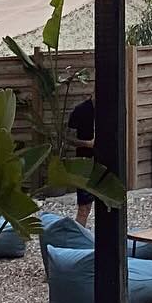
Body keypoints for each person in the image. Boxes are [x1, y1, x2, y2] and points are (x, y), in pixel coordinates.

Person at [67, 97, 95, 227]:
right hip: (84, 162)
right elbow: (68, 137)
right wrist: (88, 144)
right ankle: (78, 234)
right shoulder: (80, 110)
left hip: (106, 161)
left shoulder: (111, 109)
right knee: (84, 207)